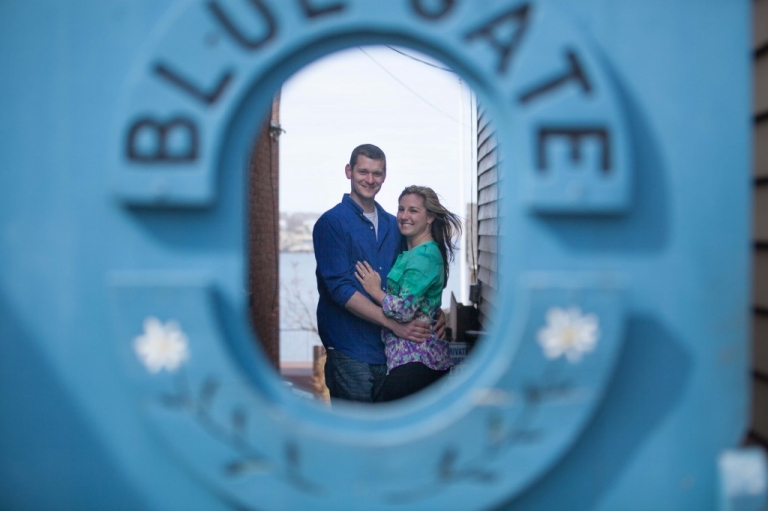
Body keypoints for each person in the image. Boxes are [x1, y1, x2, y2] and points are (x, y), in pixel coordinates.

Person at [313, 144, 444, 404]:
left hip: (392, 354)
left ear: (385, 176)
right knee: (357, 436)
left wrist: (434, 313)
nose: (370, 179)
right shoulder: (332, 223)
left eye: (377, 173)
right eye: (363, 171)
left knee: (389, 437)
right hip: (350, 350)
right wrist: (394, 324)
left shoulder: (393, 225)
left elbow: (415, 279)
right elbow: (340, 289)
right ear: (349, 171)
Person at [355, 185, 462, 401]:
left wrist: (375, 292)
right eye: (401, 209)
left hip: (417, 362)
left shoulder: (424, 257)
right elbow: (420, 298)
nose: (404, 216)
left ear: (430, 217)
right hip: (406, 360)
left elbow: (404, 310)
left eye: (413, 210)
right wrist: (434, 311)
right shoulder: (413, 252)